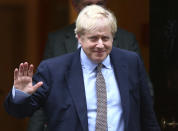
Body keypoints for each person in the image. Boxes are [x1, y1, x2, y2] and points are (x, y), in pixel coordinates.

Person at [4, 5, 160, 131]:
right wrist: (20, 95)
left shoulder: (131, 62)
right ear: (79, 37)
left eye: (105, 38)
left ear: (113, 36)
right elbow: (20, 112)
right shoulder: (53, 69)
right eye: (93, 38)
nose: (100, 45)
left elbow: (147, 116)